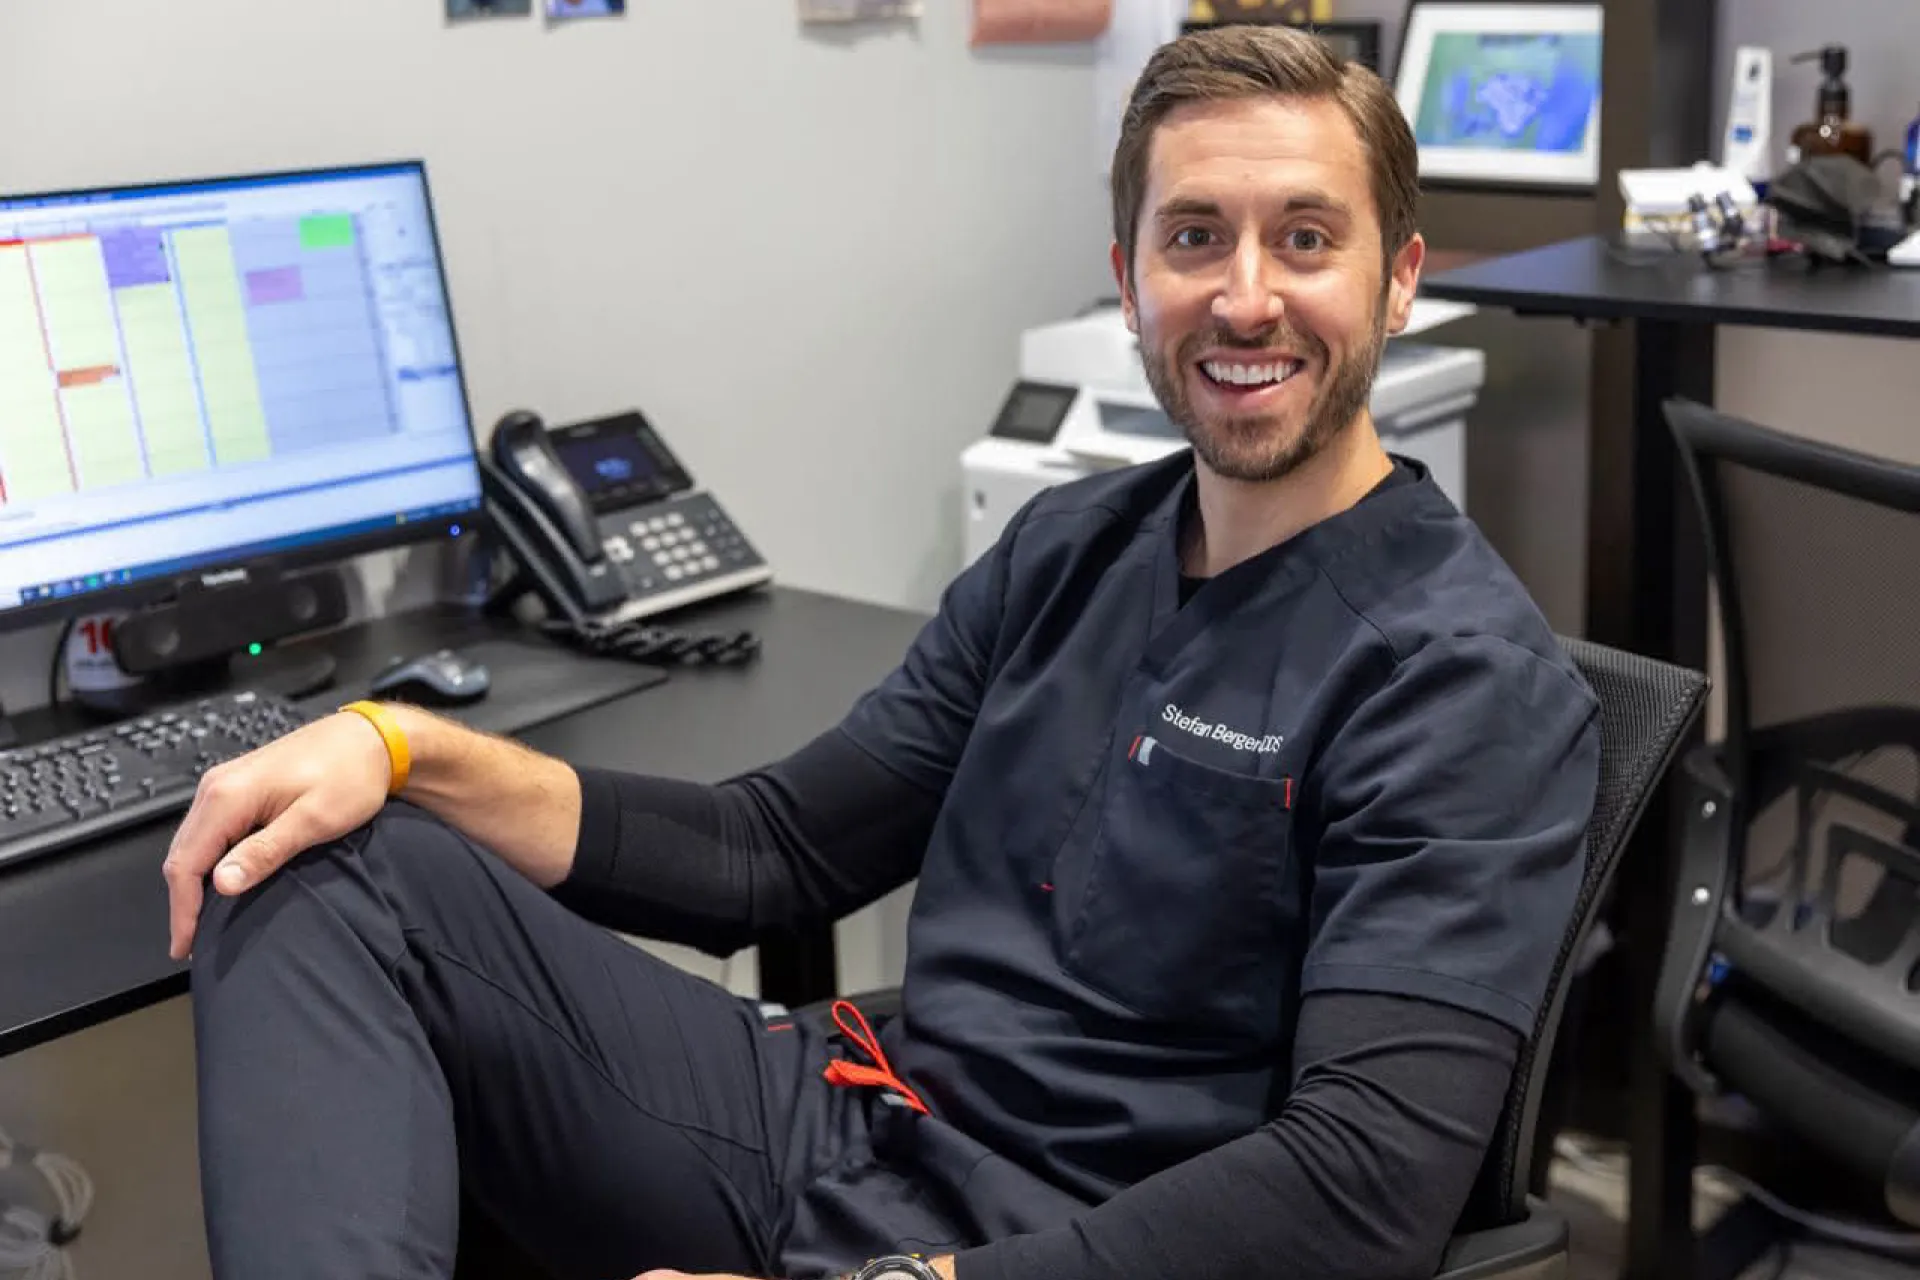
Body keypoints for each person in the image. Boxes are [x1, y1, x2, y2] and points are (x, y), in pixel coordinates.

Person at [168, 23, 1600, 1280]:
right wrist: (399, 744)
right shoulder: (1070, 547)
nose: (1242, 297)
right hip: (855, 1121)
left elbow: (1360, 1195)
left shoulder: (1458, 678)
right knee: (323, 858)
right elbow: (771, 850)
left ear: (1399, 279)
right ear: (1127, 278)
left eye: (1305, 238)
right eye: (1193, 237)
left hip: (1070, 1237)